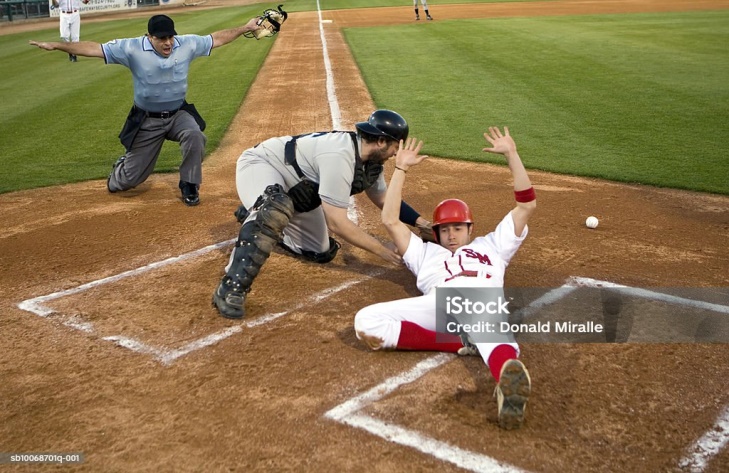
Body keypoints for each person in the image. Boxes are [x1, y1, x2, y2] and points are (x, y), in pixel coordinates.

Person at [354, 127, 537, 430]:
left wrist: (512, 156)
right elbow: (389, 219)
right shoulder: (424, 253)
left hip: (481, 301)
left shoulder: (493, 245)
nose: (451, 235)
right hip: (438, 305)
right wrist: (399, 169)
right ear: (435, 232)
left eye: (458, 228)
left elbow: (526, 206)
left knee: (499, 345)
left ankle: (508, 381)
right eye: (445, 229)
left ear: (470, 229)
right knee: (366, 322)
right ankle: (459, 342)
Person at [212, 110, 434, 320]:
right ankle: (231, 286)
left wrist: (421, 223)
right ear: (381, 141)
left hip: (297, 190)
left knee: (320, 251)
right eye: (396, 146)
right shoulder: (340, 156)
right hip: (263, 165)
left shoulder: (370, 162)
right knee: (274, 209)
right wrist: (382, 250)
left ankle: (256, 214)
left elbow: (384, 199)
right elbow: (336, 223)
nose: (396, 152)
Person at [29, 14, 264, 206]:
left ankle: (189, 184)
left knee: (195, 135)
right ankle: (121, 168)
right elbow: (94, 48)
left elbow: (217, 38)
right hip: (147, 120)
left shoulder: (187, 44)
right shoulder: (131, 49)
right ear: (149, 37)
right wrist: (58, 45)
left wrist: (245, 27)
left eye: (171, 37)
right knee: (122, 184)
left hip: (178, 114)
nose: (168, 43)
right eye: (161, 38)